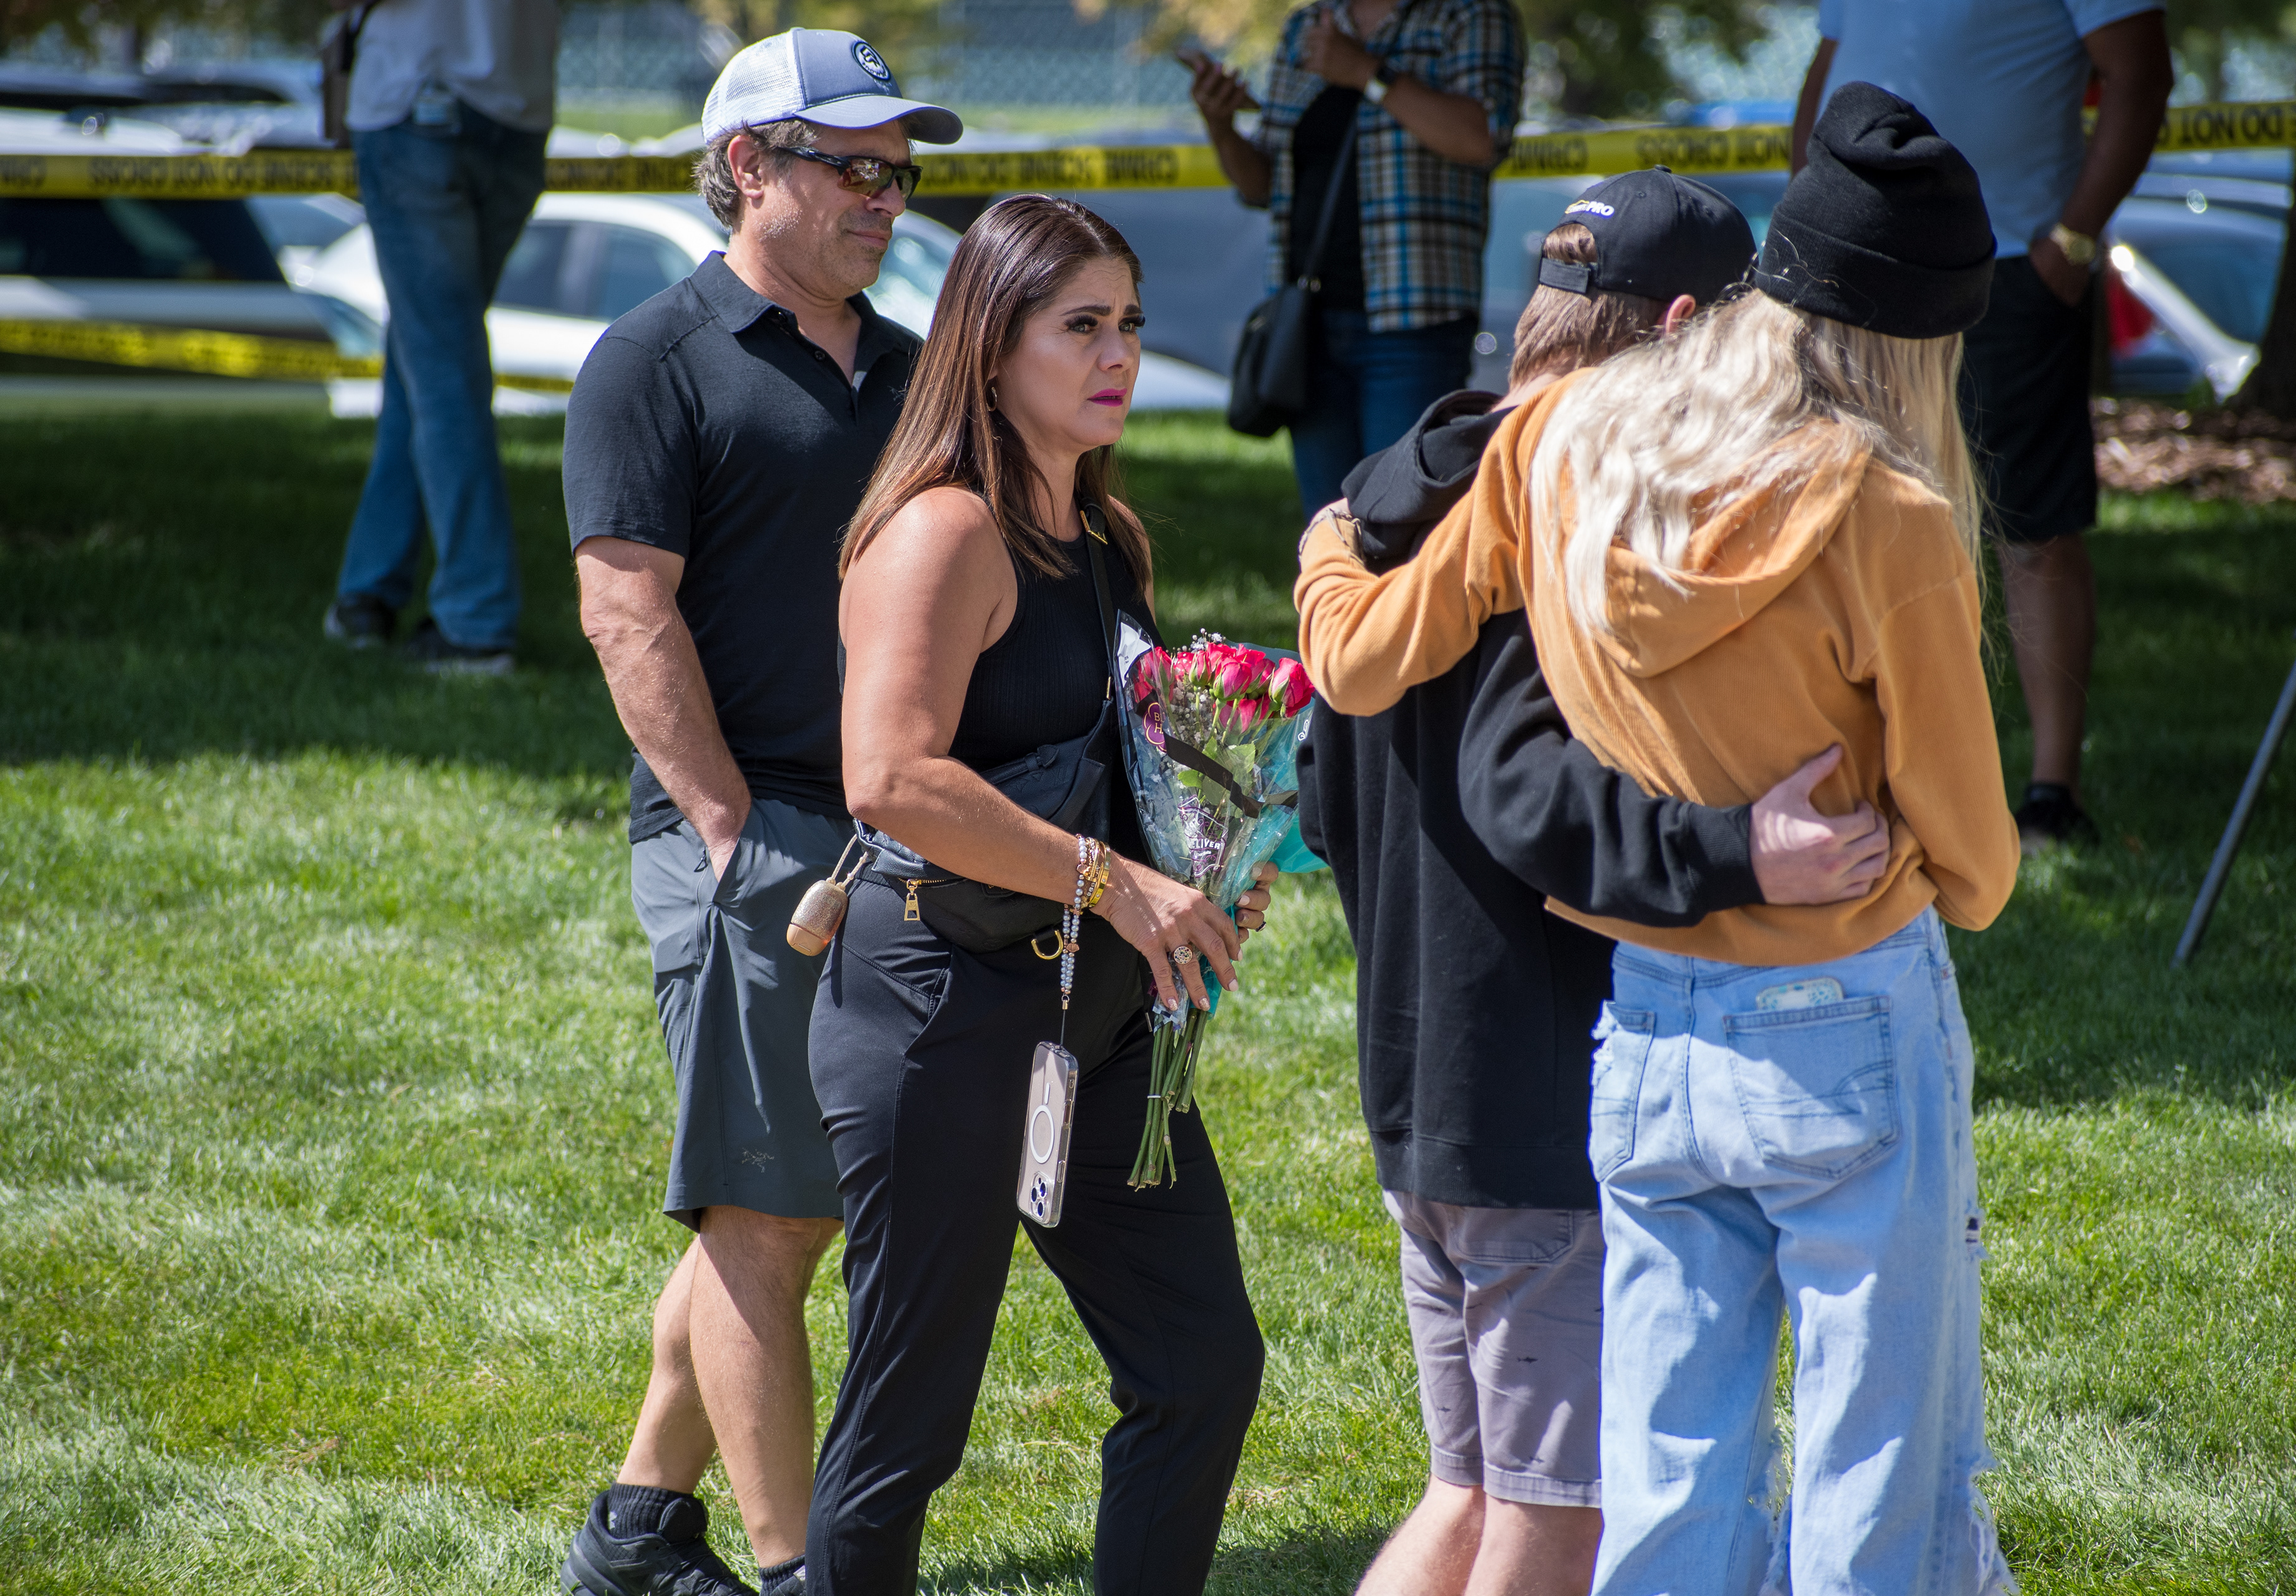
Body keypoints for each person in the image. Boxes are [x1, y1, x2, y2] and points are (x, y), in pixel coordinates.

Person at [1296, 83, 2022, 1594]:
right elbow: (1977, 855)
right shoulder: (1885, 508)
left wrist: (1322, 536)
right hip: (1841, 1005)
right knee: (1871, 1473)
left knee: (1666, 1481)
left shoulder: (1559, 447)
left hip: (1641, 1027)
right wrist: (1912, 859)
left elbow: (1361, 662)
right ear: (1917, 337)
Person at [807, 193, 1274, 1596]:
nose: (1118, 350)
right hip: (938, 1007)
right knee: (907, 1429)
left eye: (1129, 321)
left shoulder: (1109, 537)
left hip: (1097, 1020)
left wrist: (1196, 881)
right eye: (1081, 325)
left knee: (1199, 1363)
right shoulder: (943, 533)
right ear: (992, 345)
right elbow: (889, 776)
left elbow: (1111, 760)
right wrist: (1110, 878)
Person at [559, 31, 961, 1596]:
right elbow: (624, 614)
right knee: (771, 1215)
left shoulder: (915, 364)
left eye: (899, 172)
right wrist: (731, 832)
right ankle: (804, 1570)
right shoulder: (651, 358)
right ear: (745, 168)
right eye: (850, 167)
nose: (885, 197)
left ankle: (639, 1526)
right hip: (753, 834)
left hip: (897, 824)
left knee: (779, 1207)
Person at [1792, 0, 2173, 852]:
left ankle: (2048, 796)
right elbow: (1830, 71)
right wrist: (1811, 230)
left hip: (2010, 272)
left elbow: (2143, 75)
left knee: (2031, 531)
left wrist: (2070, 244)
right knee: (1851, 523)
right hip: (1866, 274)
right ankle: (1870, 771)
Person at [1187, 0, 1525, 513]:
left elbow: (1480, 137)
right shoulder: (1308, 25)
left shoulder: (1469, 14)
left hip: (1414, 326)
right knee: (1328, 533)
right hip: (1310, 329)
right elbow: (1263, 186)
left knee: (1404, 528)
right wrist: (1221, 125)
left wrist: (1367, 71)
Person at [320, 0, 559, 673]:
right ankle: (366, 594)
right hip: (519, 110)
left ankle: (476, 625)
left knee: (442, 369)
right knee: (426, 359)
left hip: (418, 98)